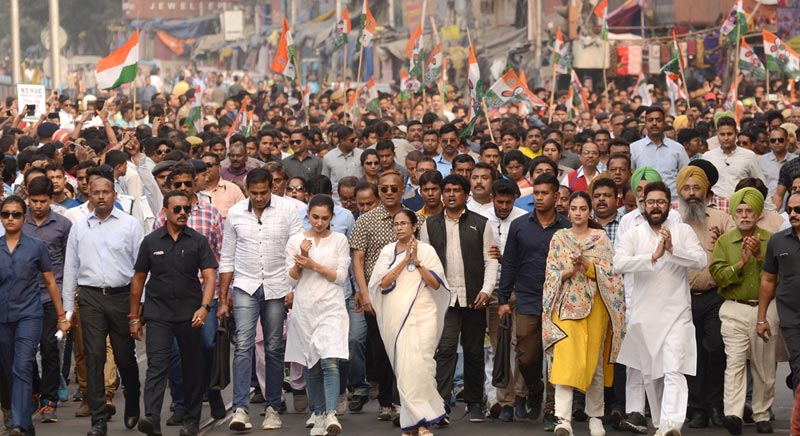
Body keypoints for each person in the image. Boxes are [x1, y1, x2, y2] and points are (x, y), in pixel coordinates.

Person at [614, 181, 707, 436]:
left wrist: (673, 250)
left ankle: (671, 425)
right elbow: (618, 263)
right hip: (645, 317)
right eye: (651, 202)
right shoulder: (634, 234)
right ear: (643, 205)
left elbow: (701, 261)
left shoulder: (682, 231)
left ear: (669, 205)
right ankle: (660, 423)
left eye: (661, 202)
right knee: (652, 376)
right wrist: (652, 257)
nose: (656, 207)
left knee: (673, 369)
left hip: (677, 314)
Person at [219, 168, 303, 431]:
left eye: (263, 193)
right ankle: (241, 408)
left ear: (272, 188)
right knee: (243, 345)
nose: (258, 198)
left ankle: (273, 407)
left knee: (275, 347)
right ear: (247, 191)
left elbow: (297, 251)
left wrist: (294, 288)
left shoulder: (289, 211)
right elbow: (227, 256)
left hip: (278, 285)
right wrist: (224, 297)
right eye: (253, 193)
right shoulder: (235, 213)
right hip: (245, 284)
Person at [129, 191, 217, 436]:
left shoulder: (198, 241)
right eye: (176, 209)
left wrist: (205, 307)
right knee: (157, 365)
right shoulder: (151, 241)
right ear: (165, 211)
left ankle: (191, 419)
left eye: (186, 209)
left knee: (192, 366)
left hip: (190, 314)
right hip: (158, 314)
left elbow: (210, 277)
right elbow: (138, 280)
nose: (182, 213)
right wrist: (134, 317)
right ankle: (152, 418)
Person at [62, 174, 144, 436]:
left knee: (124, 357)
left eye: (105, 192)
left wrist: (138, 307)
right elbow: (71, 268)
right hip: (90, 297)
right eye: (95, 192)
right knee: (94, 357)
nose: (100, 196)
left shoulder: (130, 225)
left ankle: (132, 400)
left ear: (114, 195)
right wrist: (67, 310)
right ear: (89, 195)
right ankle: (98, 420)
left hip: (122, 298)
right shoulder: (79, 227)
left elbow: (141, 270)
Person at [543, 191, 625, 436]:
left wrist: (588, 266)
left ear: (589, 212)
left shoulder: (600, 239)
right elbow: (550, 274)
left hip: (595, 310)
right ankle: (563, 419)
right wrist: (571, 268)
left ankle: (595, 416)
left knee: (595, 363)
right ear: (568, 212)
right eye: (574, 208)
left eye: (582, 208)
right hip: (566, 308)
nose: (578, 213)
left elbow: (613, 275)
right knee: (565, 363)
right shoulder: (560, 238)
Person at [420, 174, 498, 423]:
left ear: (466, 195)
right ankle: (440, 405)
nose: (451, 195)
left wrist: (486, 290)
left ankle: (475, 403)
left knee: (475, 352)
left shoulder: (481, 223)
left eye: (456, 190)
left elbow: (491, 260)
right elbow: (425, 263)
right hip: (443, 299)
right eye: (447, 190)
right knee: (445, 350)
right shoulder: (429, 225)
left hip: (474, 297)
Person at [499, 173, 573, 431]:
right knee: (526, 357)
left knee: (557, 359)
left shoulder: (567, 227)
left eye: (544, 193)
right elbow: (509, 263)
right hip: (527, 300)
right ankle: (534, 388)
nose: (539, 198)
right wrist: (503, 299)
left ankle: (552, 410)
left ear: (556, 196)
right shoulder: (520, 225)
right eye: (536, 193)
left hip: (560, 302)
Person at [369, 209, 449, 436]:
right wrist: (404, 261)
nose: (399, 227)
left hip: (424, 314)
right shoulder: (387, 252)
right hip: (396, 315)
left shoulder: (427, 250)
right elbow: (382, 283)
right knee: (405, 370)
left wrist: (418, 263)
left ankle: (417, 423)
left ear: (415, 226)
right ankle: (418, 424)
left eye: (404, 223)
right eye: (396, 224)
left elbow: (436, 285)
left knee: (422, 367)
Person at [709, 188, 778, 435]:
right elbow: (718, 276)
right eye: (740, 211)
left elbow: (777, 279)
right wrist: (740, 262)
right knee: (735, 363)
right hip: (733, 309)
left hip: (765, 310)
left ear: (758, 213)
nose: (745, 215)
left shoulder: (772, 241)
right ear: (734, 213)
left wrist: (760, 257)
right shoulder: (725, 242)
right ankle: (733, 415)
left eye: (750, 211)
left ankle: (761, 414)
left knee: (764, 366)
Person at [0, 196, 70, 436]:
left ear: (24, 217)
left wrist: (61, 315)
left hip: (30, 315)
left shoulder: (36, 246)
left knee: (22, 365)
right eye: (6, 214)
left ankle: (19, 422)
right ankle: (25, 425)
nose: (10, 218)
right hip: (2, 318)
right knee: (9, 369)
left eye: (16, 214)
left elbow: (50, 282)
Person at [286, 195, 351, 436]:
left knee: (330, 360)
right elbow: (290, 279)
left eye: (325, 218)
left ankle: (331, 413)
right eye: (315, 217)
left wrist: (313, 264)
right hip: (305, 307)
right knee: (312, 363)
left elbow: (340, 277)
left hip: (332, 306)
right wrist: (300, 261)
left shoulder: (339, 240)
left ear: (332, 218)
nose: (320, 222)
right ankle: (319, 411)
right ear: (308, 216)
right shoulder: (295, 240)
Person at [674, 165, 733, 429]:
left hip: (715, 297)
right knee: (690, 355)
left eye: (697, 187)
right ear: (680, 192)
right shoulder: (672, 221)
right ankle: (696, 409)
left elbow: (735, 252)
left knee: (717, 351)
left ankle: (716, 406)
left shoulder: (721, 219)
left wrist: (725, 242)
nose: (692, 193)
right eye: (686, 188)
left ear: (706, 190)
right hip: (681, 299)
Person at [349, 170, 410, 421]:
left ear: (403, 190)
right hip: (376, 297)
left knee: (406, 349)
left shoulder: (415, 219)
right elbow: (358, 260)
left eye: (393, 189)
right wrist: (364, 294)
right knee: (381, 350)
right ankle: (386, 402)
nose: (388, 193)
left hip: (407, 294)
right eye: (383, 189)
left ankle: (405, 400)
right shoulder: (365, 220)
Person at [22, 176, 72, 424]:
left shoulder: (63, 225)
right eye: (34, 201)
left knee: (50, 347)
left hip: (54, 294)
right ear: (27, 198)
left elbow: (69, 260)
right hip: (25, 295)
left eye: (43, 201)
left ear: (51, 199)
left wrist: (69, 297)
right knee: (26, 349)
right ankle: (35, 387)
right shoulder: (19, 223)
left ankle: (49, 401)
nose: (38, 206)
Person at [757, 192, 800, 434]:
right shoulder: (778, 241)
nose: (793, 214)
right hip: (792, 319)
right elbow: (768, 281)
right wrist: (761, 318)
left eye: (798, 210)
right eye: (790, 209)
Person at [630, 106, 690, 197]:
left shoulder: (678, 148)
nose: (654, 123)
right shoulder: (634, 148)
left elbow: (686, 176)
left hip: (673, 201)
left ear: (664, 122)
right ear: (645, 122)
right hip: (644, 200)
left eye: (658, 120)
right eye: (650, 120)